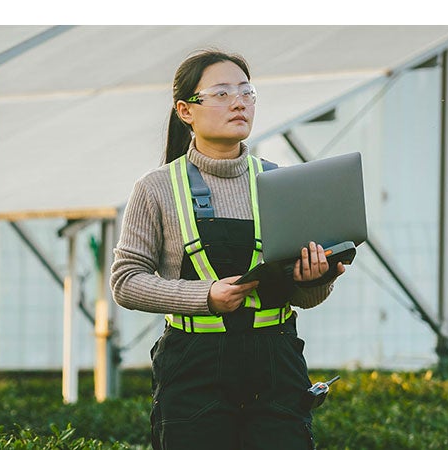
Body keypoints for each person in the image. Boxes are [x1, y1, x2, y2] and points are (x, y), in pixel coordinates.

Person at [110, 49, 345, 450]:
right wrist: (206, 296)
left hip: (276, 359)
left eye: (246, 92)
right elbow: (125, 282)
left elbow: (304, 298)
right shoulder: (156, 188)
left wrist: (315, 279)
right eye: (221, 93)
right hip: (193, 366)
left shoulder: (282, 182)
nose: (239, 102)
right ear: (186, 111)